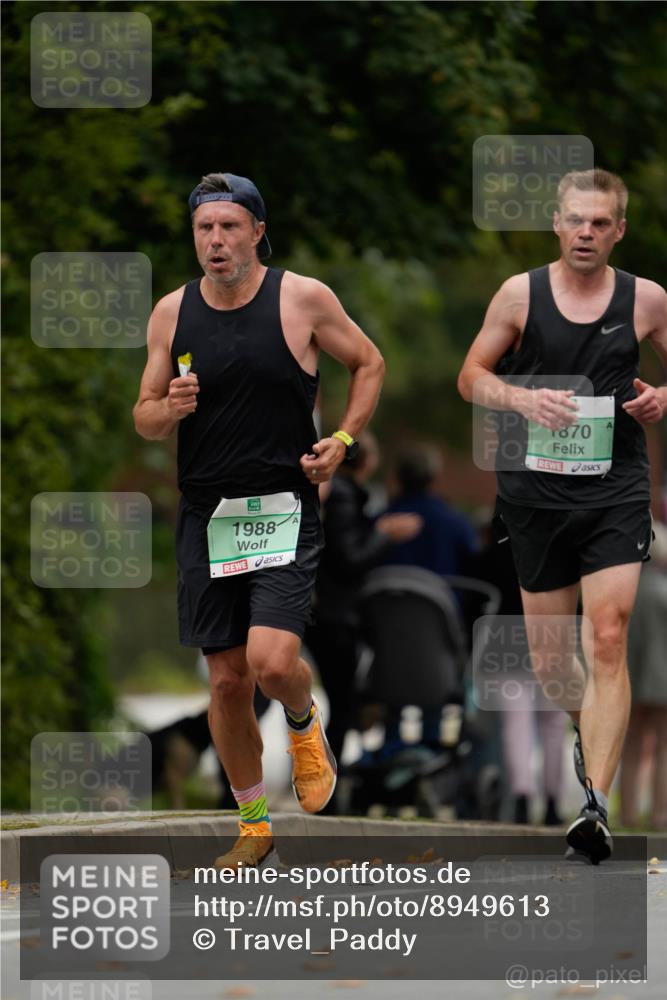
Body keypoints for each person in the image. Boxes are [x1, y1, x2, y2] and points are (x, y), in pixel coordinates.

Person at [133, 172, 385, 870]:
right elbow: (144, 416)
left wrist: (342, 440)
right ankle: (252, 825)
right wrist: (168, 408)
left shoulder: (301, 299)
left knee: (271, 663)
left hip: (282, 506)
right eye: (204, 228)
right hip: (206, 513)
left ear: (257, 232)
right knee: (225, 682)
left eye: (229, 227)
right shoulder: (171, 312)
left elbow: (368, 362)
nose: (216, 240)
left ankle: (304, 723)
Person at [458, 168, 666, 863]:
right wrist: (522, 400)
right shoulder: (519, 294)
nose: (585, 232)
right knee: (552, 664)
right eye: (575, 219)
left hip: (615, 490)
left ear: (618, 230)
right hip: (534, 496)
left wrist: (662, 398)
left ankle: (595, 806)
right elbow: (470, 377)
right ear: (556, 222)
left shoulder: (646, 300)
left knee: (606, 636)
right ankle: (591, 731)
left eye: (599, 222)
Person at [306, 431, 422, 776]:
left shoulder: (338, 494)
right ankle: (326, 783)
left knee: (339, 701)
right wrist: (384, 534)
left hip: (324, 610)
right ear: (367, 462)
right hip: (334, 614)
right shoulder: (342, 496)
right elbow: (350, 558)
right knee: (342, 703)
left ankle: (325, 778)